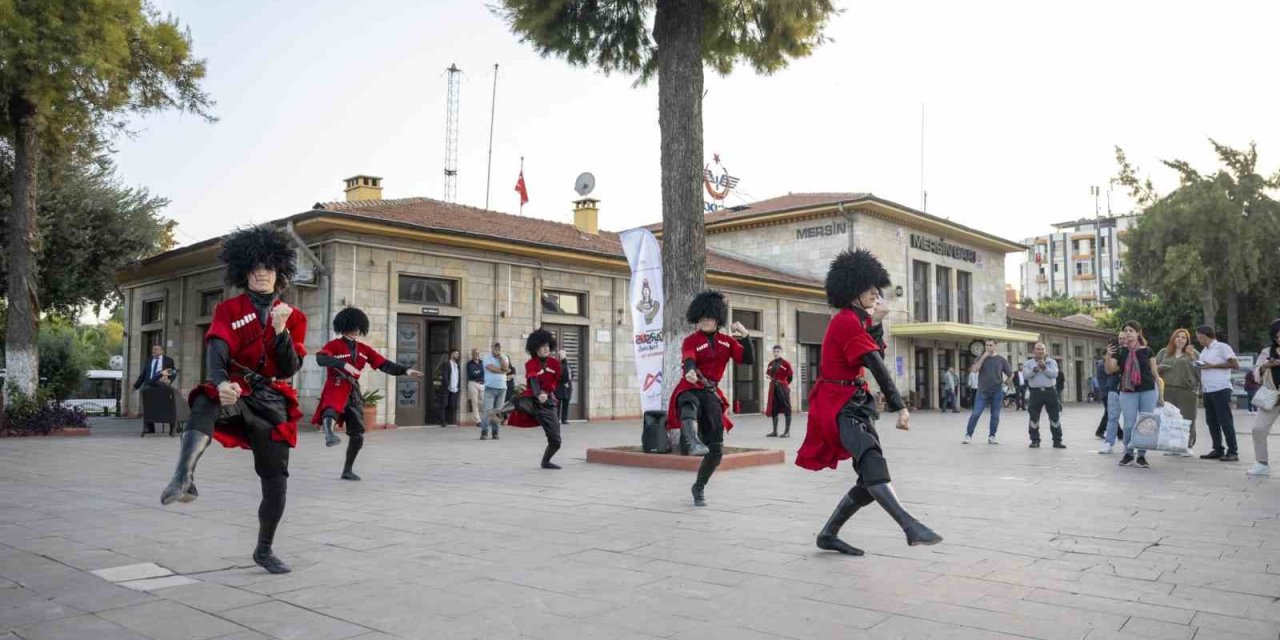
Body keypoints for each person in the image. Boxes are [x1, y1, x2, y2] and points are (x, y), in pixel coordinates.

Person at [158, 225, 307, 574]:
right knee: (205, 399)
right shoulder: (228, 309)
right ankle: (183, 476)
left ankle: (264, 549)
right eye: (254, 268)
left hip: (272, 400)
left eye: (268, 267)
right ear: (244, 272)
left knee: (276, 480)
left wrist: (281, 331)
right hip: (237, 390)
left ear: (279, 272)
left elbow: (290, 366)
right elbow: (217, 345)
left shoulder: (293, 315)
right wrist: (222, 381)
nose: (261, 273)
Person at [796, 249, 941, 556]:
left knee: (868, 477)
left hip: (853, 401)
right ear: (853, 292)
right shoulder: (846, 321)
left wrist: (875, 323)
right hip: (838, 404)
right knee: (873, 463)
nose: (876, 294)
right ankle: (909, 525)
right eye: (870, 290)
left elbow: (875, 352)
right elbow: (875, 363)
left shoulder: (857, 322)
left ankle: (828, 534)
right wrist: (899, 405)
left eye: (877, 290)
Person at [311, 307, 423, 480]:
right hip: (336, 384)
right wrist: (343, 365)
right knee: (331, 408)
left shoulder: (364, 349)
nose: (356, 330)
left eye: (358, 327)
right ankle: (329, 434)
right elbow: (321, 358)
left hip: (353, 390)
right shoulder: (334, 345)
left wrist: (406, 371)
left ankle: (347, 470)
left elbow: (384, 364)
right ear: (344, 327)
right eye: (352, 326)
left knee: (357, 434)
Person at [664, 291, 753, 507]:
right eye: (700, 317)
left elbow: (747, 359)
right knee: (687, 402)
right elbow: (688, 358)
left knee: (716, 451)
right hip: (691, 385)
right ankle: (692, 440)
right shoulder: (690, 340)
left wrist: (747, 336)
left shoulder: (727, 342)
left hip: (712, 393)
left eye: (708, 316)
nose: (704, 320)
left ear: (717, 318)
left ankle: (699, 486)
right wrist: (690, 371)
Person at [499, 329, 564, 469]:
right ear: (535, 348)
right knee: (518, 401)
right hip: (533, 399)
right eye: (542, 346)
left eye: (547, 345)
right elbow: (532, 378)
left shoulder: (555, 363)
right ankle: (501, 412)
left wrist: (564, 360)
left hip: (549, 404)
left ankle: (546, 461)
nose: (546, 348)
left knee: (556, 441)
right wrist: (539, 393)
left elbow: (563, 378)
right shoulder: (531, 363)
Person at [1106, 320, 1163, 469]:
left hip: (1148, 390)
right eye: (1126, 330)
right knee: (1129, 424)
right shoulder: (1121, 351)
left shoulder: (1148, 351)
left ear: (1138, 333)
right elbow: (1110, 370)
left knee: (1145, 423)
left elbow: (1155, 374)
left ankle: (1142, 456)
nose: (1128, 333)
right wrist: (1108, 355)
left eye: (1131, 330)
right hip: (1127, 391)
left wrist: (1161, 395)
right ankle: (1129, 453)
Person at [1196, 325, 1240, 462]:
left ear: (1204, 336)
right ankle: (1218, 449)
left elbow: (1235, 364)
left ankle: (1233, 451)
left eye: (1198, 337)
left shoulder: (1222, 347)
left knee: (1225, 420)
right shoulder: (1204, 351)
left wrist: (1213, 366)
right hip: (1208, 390)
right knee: (1211, 421)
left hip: (1220, 388)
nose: (1198, 340)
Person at [1156, 328, 1200, 457]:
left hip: (1187, 390)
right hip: (1167, 389)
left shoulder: (1193, 353)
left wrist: (1192, 356)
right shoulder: (1164, 352)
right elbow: (1153, 368)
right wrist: (1159, 368)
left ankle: (1187, 445)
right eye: (1178, 337)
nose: (1180, 339)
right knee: (1170, 419)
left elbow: (1200, 370)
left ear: (1187, 340)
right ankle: (1171, 446)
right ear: (1173, 338)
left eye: (1183, 337)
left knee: (1188, 418)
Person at [1247, 319, 1280, 477]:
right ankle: (1261, 463)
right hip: (1270, 394)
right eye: (1278, 335)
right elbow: (1255, 372)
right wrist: (1265, 366)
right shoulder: (1267, 352)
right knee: (1258, 429)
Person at [964, 339, 1012, 444]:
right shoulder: (980, 358)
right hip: (982, 391)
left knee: (995, 415)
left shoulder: (1001, 360)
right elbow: (974, 370)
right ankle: (968, 435)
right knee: (976, 413)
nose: (988, 347)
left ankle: (992, 436)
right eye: (986, 345)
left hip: (997, 391)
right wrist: (984, 356)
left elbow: (1010, 373)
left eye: (990, 345)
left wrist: (1007, 382)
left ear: (995, 346)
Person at [1023, 342, 1064, 448]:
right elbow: (1026, 376)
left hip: (1050, 391)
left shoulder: (1052, 362)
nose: (1040, 351)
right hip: (1035, 392)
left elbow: (1054, 374)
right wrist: (1035, 370)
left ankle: (1057, 440)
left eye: (1042, 349)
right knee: (1034, 417)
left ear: (1045, 351)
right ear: (1033, 351)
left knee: (1054, 416)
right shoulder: (1028, 363)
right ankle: (1035, 440)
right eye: (1037, 349)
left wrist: (1044, 368)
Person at [134, 344, 177, 433]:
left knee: (166, 406)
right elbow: (143, 375)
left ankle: (172, 426)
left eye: (156, 349)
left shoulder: (168, 360)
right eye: (153, 349)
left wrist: (169, 381)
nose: (153, 351)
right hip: (149, 386)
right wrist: (136, 386)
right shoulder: (149, 360)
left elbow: (173, 372)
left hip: (162, 386)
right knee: (148, 407)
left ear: (162, 351)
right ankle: (150, 428)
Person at [1097, 334, 1126, 454]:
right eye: (1120, 339)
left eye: (1124, 338)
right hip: (1114, 388)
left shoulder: (1135, 352)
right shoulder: (1114, 354)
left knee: (1131, 419)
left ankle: (1129, 444)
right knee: (1112, 417)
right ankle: (1108, 443)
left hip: (1131, 389)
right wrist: (1108, 356)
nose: (1122, 340)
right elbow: (1109, 370)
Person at [480, 343, 508, 440]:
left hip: (502, 388)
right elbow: (491, 369)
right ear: (491, 348)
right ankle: (484, 432)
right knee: (488, 411)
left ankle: (495, 432)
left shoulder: (504, 357)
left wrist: (500, 357)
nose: (496, 350)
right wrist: (503, 371)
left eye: (498, 348)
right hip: (490, 387)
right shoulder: (487, 357)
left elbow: (505, 367)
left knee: (498, 411)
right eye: (495, 348)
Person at [765, 345, 794, 437]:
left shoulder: (786, 364)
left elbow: (790, 377)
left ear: (781, 352)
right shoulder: (771, 364)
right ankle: (775, 431)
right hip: (773, 387)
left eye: (778, 351)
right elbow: (768, 374)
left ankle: (787, 432)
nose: (776, 353)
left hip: (783, 387)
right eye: (774, 351)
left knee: (786, 407)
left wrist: (784, 384)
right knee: (774, 407)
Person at [435, 349, 461, 427]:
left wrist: (458, 386)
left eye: (458, 354)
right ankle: (442, 421)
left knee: (452, 405)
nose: (457, 355)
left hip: (454, 388)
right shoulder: (446, 363)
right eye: (455, 353)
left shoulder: (457, 365)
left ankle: (448, 419)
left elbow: (457, 376)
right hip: (446, 387)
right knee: (444, 404)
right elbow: (445, 375)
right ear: (451, 354)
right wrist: (447, 384)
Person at [466, 349, 486, 426]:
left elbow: (484, 372)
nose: (476, 355)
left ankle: (485, 419)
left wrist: (478, 372)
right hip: (473, 383)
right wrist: (480, 372)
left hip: (482, 384)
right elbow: (472, 374)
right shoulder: (469, 364)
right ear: (472, 354)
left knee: (485, 401)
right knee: (474, 402)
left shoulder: (482, 362)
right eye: (474, 353)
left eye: (477, 353)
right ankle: (478, 421)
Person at [555, 349, 574, 424]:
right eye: (561, 355)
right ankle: (556, 419)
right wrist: (562, 382)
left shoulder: (569, 365)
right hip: (560, 387)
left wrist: (568, 382)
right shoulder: (557, 365)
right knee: (558, 404)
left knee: (566, 404)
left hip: (567, 387)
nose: (562, 356)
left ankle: (564, 419)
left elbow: (572, 375)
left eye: (563, 354)